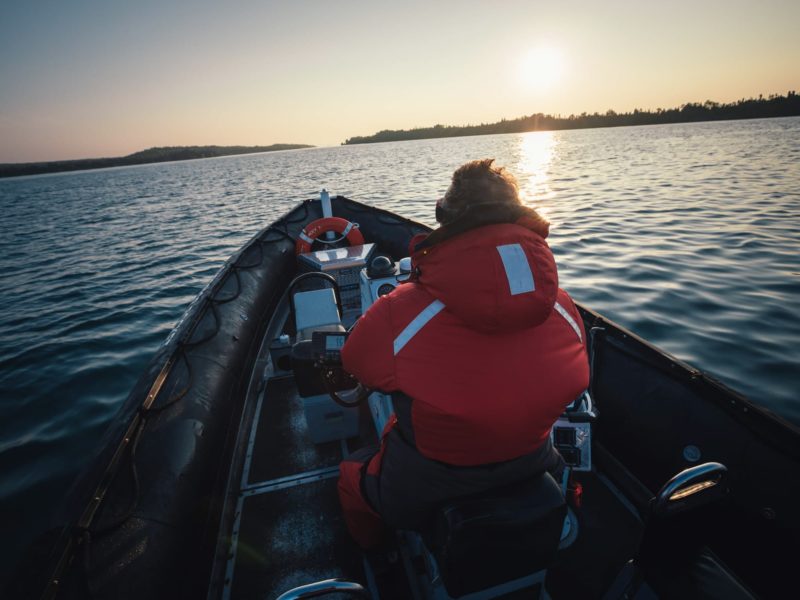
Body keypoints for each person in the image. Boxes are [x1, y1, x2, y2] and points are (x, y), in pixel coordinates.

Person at [337, 159, 590, 549]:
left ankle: (378, 558)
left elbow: (356, 365)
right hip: (537, 461)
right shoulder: (564, 307)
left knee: (352, 477)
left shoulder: (399, 311)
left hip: (427, 484)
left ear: (444, 218)